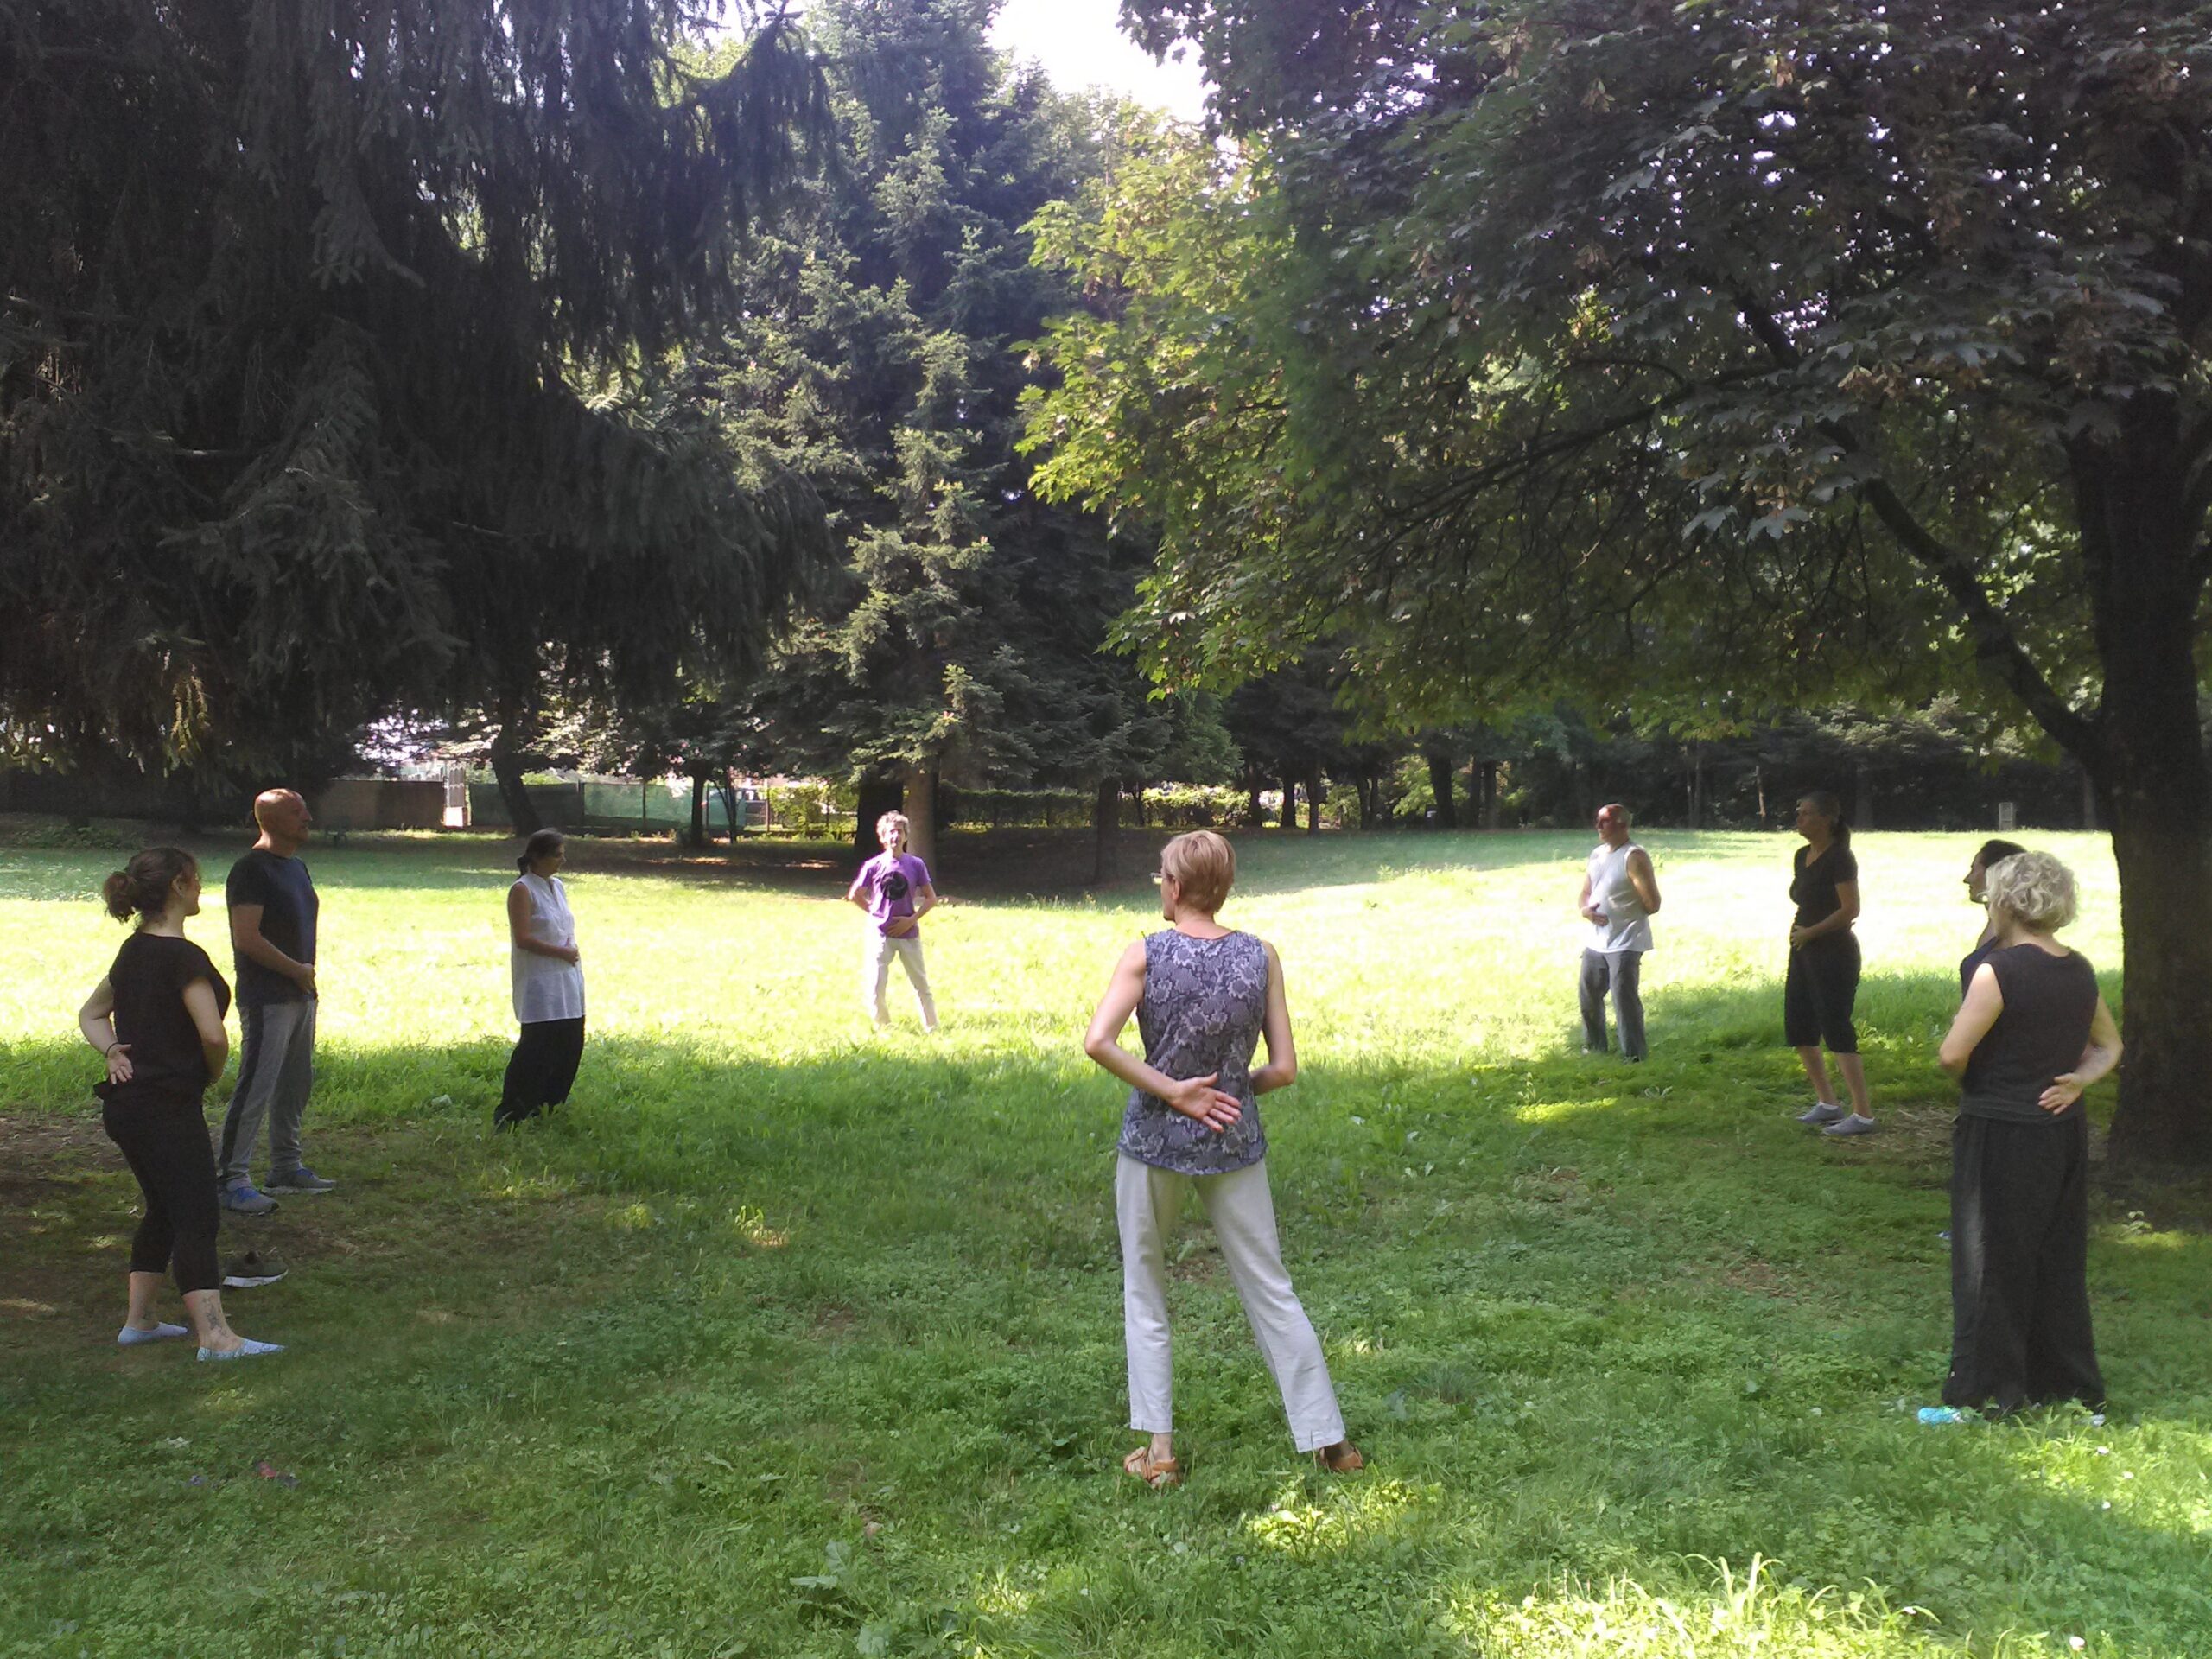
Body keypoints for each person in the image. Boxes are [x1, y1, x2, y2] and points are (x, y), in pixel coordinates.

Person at [1083, 830, 1361, 1487]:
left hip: (1151, 1143)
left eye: (1161, 878)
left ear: (1175, 888)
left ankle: (1160, 1453)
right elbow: (1284, 1070)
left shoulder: (1145, 954)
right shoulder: (1261, 956)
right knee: (1271, 1287)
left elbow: (1099, 1041)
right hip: (1235, 1142)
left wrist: (1176, 1092)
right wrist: (1226, 1094)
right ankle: (1331, 1442)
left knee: (1145, 1289)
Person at [78, 848, 282, 1361]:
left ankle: (141, 1322)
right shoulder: (184, 958)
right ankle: (215, 1338)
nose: (200, 887)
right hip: (165, 1105)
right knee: (197, 1215)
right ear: (178, 885)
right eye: (196, 879)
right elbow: (213, 1036)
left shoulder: (134, 951)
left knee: (164, 1210)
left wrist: (111, 1051)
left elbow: (91, 1013)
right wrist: (210, 1075)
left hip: (127, 1106)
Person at [1935, 851, 2117, 1414]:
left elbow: (1951, 1055)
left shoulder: (1998, 971)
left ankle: (1987, 1392)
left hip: (2001, 1131)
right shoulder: (2078, 969)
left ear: (2006, 902)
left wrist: (1983, 1084)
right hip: (2061, 1133)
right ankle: (2063, 1386)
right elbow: (2110, 1044)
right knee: (2056, 1258)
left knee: (1988, 1260)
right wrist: (2079, 1081)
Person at [217, 788, 330, 1212]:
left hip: (301, 992)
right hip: (268, 996)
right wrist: (296, 971)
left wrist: (304, 979)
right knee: (256, 1086)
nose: (307, 816)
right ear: (269, 820)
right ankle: (231, 1178)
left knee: (295, 1084)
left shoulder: (297, 867)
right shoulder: (250, 870)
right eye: (296, 811)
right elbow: (246, 938)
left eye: (304, 807)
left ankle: (286, 1165)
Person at [1786, 791, 1876, 1136]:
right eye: (1799, 812)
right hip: (1803, 948)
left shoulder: (1840, 858)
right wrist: (1803, 937)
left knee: (1835, 1026)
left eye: (1807, 814)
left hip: (1833, 952)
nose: (1800, 819)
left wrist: (1813, 932)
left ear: (1827, 820)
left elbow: (1850, 909)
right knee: (1799, 1025)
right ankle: (1827, 1104)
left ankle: (1863, 1114)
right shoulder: (1801, 856)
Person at [499, 829, 586, 1128]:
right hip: (539, 979)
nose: (563, 860)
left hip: (566, 977)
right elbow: (522, 938)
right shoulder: (522, 890)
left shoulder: (557, 886)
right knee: (537, 1047)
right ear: (537, 856)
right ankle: (514, 1109)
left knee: (570, 1042)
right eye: (557, 854)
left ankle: (549, 1105)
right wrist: (559, 953)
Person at [1577, 803, 1661, 1061]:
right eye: (1598, 820)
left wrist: (1624, 917)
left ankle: (1634, 1056)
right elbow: (1585, 893)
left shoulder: (1634, 857)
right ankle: (1595, 1047)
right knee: (1588, 996)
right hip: (1596, 941)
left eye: (1605, 821)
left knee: (1624, 1001)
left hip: (1626, 942)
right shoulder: (1597, 854)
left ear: (1623, 825)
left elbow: (1653, 903)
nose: (1599, 826)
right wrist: (1585, 911)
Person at [848, 810, 938, 1032]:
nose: (895, 836)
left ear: (906, 836)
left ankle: (932, 1028)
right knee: (876, 985)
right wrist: (875, 914)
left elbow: (931, 898)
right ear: (883, 837)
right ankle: (884, 1028)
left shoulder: (916, 865)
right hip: (880, 935)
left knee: (921, 985)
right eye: (890, 832)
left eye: (899, 831)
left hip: (909, 935)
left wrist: (912, 920)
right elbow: (854, 895)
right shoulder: (873, 865)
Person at [1958, 837, 2027, 994]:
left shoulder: (2009, 939)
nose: (1967, 879)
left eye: (1974, 870)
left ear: (1994, 874)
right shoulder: (1999, 931)